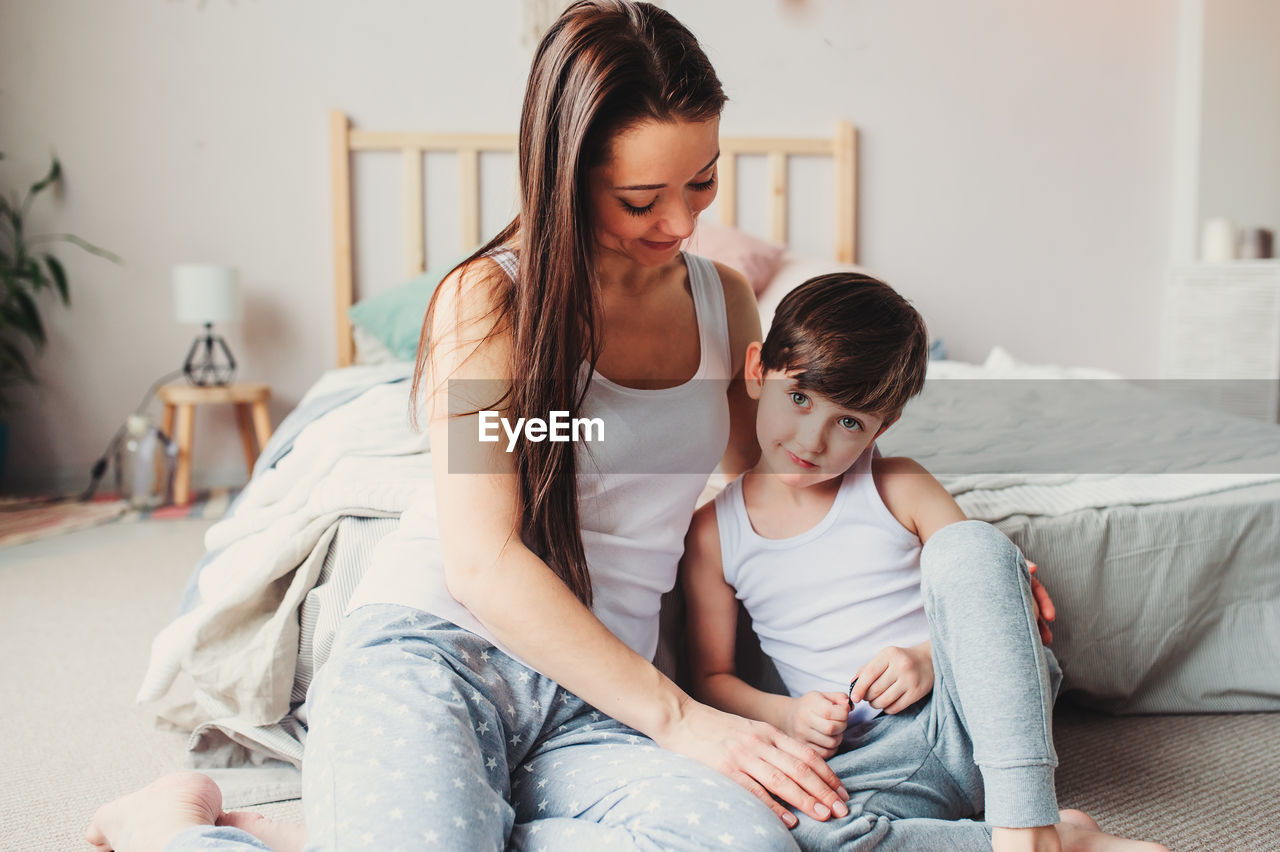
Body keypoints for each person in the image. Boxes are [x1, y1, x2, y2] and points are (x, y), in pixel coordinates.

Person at [86, 3, 851, 850]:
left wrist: (939, 536)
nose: (680, 224)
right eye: (641, 199)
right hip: (441, 657)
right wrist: (680, 719)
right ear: (566, 176)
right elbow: (482, 561)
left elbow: (778, 478)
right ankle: (167, 829)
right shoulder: (488, 303)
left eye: (702, 181)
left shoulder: (725, 301)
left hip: (599, 699)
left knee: (751, 844)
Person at [680, 273, 1171, 852]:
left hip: (970, 717)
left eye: (848, 423)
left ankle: (1026, 825)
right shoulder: (713, 533)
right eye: (799, 398)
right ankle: (1057, 841)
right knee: (794, 832)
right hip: (868, 760)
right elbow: (710, 680)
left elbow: (987, 593)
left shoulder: (899, 485)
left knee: (978, 546)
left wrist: (928, 659)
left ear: (881, 427)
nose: (811, 441)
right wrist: (787, 716)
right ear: (758, 370)